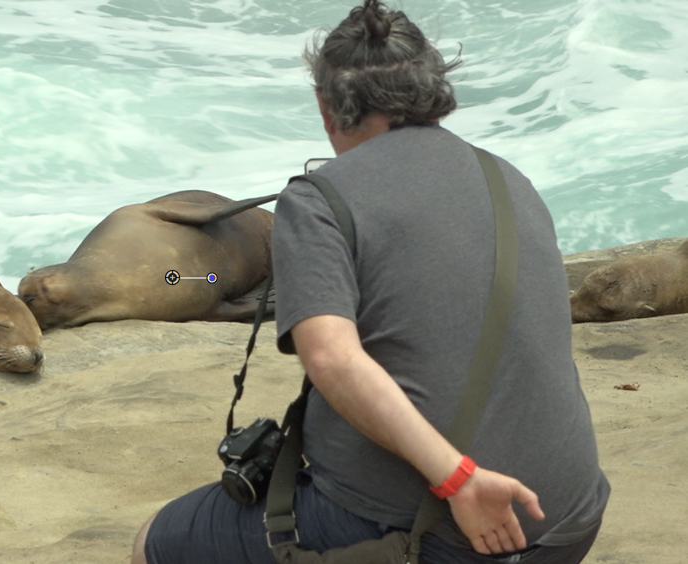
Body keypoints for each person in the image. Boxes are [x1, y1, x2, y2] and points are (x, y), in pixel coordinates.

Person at [131, 1, 610, 563]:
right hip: (571, 521)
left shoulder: (318, 200)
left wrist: (460, 481)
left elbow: (333, 360)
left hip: (451, 529)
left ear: (325, 106)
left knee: (155, 544)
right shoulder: (509, 178)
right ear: (434, 89)